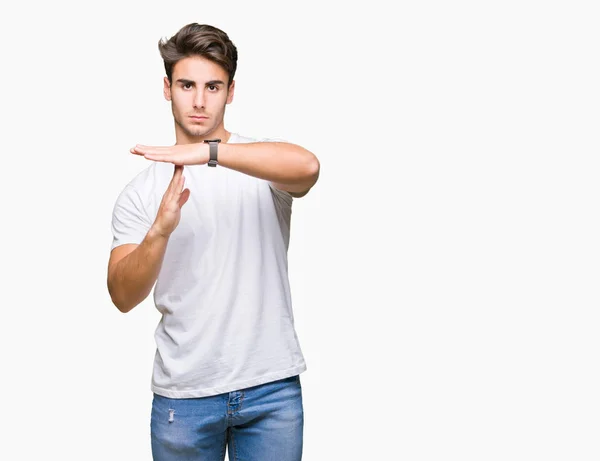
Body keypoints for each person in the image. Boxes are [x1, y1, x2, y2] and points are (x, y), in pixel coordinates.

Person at [107, 22, 320, 461]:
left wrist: (209, 152)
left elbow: (309, 167)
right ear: (167, 88)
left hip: (270, 391)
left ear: (231, 91)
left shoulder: (260, 166)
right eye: (187, 85)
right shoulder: (142, 192)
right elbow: (122, 295)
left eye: (213, 86)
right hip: (183, 398)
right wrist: (160, 232)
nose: (200, 100)